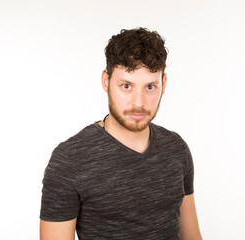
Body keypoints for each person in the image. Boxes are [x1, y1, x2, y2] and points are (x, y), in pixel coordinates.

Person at [39, 27, 202, 240]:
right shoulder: (70, 159)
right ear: (106, 81)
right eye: (126, 85)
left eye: (150, 87)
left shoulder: (176, 148)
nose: (139, 102)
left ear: (163, 84)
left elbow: (192, 236)